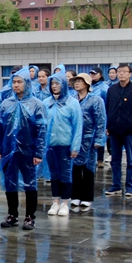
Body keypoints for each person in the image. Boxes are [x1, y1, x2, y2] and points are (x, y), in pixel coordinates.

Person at [0, 68, 46, 231]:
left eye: (19, 82)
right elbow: (0, 129)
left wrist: (38, 152)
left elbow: (41, 130)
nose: (16, 85)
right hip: (8, 150)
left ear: (27, 83)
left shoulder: (37, 104)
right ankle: (12, 214)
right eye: (14, 82)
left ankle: (30, 216)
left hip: (28, 150)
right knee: (10, 182)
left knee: (30, 183)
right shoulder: (6, 104)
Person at [104, 64, 132, 199]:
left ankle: (130, 187)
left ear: (130, 74)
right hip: (114, 130)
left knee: (131, 160)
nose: (121, 74)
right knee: (115, 160)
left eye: (124, 72)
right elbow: (108, 108)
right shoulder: (112, 89)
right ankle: (116, 185)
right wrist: (107, 126)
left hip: (130, 130)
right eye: (119, 72)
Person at [43, 76, 82, 216]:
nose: (54, 86)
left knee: (66, 174)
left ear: (64, 85)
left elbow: (78, 126)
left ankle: (65, 202)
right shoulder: (46, 102)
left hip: (66, 144)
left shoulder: (72, 103)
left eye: (57, 83)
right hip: (50, 145)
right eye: (52, 83)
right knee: (53, 174)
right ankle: (55, 201)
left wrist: (75, 146)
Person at [71, 73, 106, 212]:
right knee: (74, 168)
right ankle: (75, 195)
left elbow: (101, 120)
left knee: (88, 168)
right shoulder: (72, 99)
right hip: (74, 138)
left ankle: (87, 197)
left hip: (89, 138)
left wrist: (99, 139)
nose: (77, 83)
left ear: (87, 83)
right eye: (75, 81)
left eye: (80, 81)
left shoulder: (96, 100)